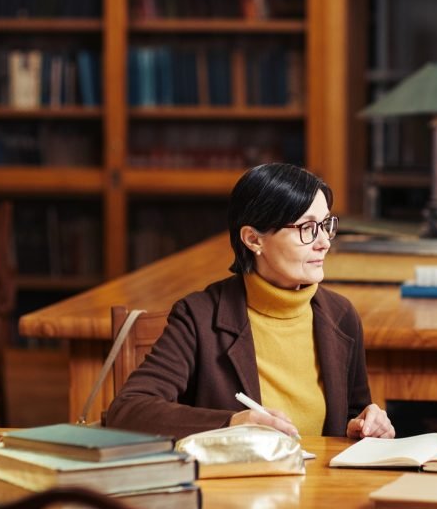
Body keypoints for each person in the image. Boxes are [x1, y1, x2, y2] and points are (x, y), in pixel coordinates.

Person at [106, 163, 394, 440]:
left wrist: (365, 425)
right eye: (307, 229)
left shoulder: (340, 315)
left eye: (326, 225)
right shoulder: (199, 316)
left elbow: (351, 416)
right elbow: (128, 410)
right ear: (253, 239)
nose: (324, 242)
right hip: (240, 486)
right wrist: (232, 423)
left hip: (322, 486)